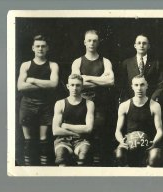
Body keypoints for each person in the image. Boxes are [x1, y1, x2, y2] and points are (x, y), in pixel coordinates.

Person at [71, 29, 115, 166]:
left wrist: (87, 78)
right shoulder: (77, 62)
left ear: (98, 42)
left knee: (99, 135)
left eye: (94, 40)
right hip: (82, 103)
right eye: (89, 40)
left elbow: (110, 81)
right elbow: (77, 83)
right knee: (83, 137)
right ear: (84, 42)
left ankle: (97, 168)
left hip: (101, 104)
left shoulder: (105, 61)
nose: (92, 43)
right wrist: (100, 80)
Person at [17, 35, 59, 166]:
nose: (40, 48)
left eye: (43, 46)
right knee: (28, 140)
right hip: (27, 104)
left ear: (48, 48)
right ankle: (29, 170)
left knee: (44, 140)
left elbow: (53, 84)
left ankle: (44, 170)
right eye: (37, 46)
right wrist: (44, 84)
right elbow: (20, 86)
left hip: (45, 105)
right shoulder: (26, 65)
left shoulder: (53, 65)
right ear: (33, 48)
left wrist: (33, 80)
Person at [115, 75, 163, 167]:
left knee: (155, 157)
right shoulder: (124, 105)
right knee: (119, 154)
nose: (139, 88)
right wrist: (122, 142)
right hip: (129, 144)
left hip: (148, 144)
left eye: (142, 85)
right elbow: (117, 131)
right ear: (132, 87)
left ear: (147, 86)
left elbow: (160, 130)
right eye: (136, 85)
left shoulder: (155, 105)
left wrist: (154, 142)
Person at [52, 74, 94, 166]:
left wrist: (66, 126)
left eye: (78, 85)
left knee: (83, 155)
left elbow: (88, 129)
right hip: (63, 140)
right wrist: (74, 133)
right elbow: (55, 130)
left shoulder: (89, 103)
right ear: (68, 86)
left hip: (81, 140)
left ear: (82, 87)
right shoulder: (60, 103)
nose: (75, 88)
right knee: (61, 156)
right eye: (72, 85)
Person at [118, 34, 163, 102]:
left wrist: (152, 100)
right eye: (139, 43)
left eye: (144, 43)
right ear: (135, 46)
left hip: (150, 101)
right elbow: (122, 84)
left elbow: (160, 84)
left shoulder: (155, 63)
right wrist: (128, 101)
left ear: (148, 46)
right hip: (131, 101)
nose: (141, 45)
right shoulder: (127, 63)